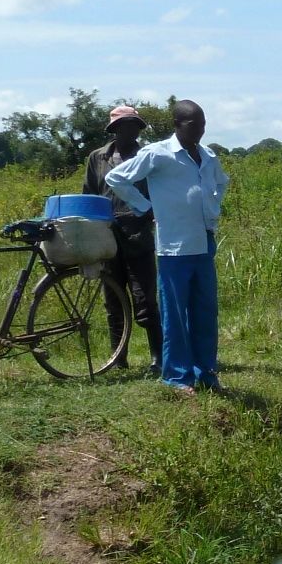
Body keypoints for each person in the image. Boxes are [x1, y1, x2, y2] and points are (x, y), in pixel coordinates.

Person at [105, 99, 226, 394]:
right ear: (177, 125)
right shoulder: (159, 154)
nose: (198, 130)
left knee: (205, 312)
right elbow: (116, 177)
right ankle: (176, 377)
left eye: (202, 125)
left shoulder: (207, 155)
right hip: (174, 247)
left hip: (203, 242)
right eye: (192, 125)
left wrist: (211, 209)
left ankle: (206, 372)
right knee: (176, 314)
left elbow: (221, 182)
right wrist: (143, 206)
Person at [83, 104, 160, 369]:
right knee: (112, 300)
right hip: (107, 236)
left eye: (134, 126)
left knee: (145, 298)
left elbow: (156, 194)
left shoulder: (147, 156)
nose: (130, 130)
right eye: (124, 126)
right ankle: (118, 357)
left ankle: (158, 356)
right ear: (114, 129)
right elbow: (90, 195)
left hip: (139, 236)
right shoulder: (97, 158)